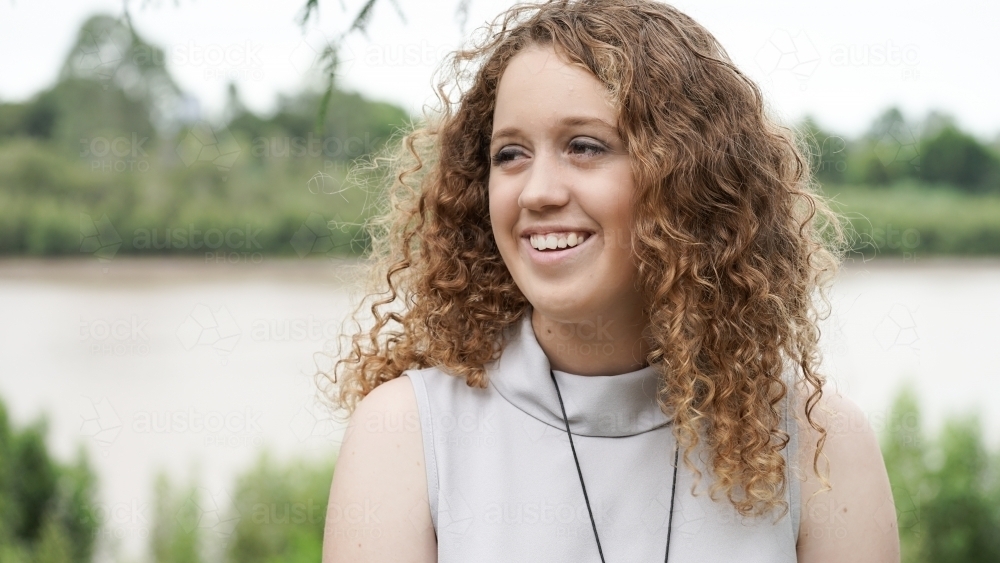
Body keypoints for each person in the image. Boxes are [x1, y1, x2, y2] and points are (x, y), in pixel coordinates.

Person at [321, 0, 899, 561]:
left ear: (690, 182)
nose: (538, 191)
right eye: (510, 154)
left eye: (584, 146)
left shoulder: (820, 446)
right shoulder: (403, 436)